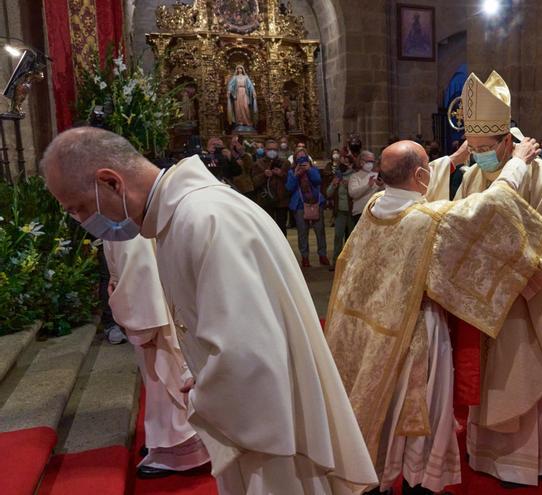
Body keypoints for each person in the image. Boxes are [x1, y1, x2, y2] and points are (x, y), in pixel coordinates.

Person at [40, 127, 378, 494]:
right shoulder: (185, 214)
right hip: (261, 422)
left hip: (272, 436)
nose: (83, 222)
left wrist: (202, 395)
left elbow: (250, 359)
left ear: (110, 182)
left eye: (80, 208)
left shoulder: (203, 218)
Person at [325, 139, 542, 494]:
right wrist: (516, 163)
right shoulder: (429, 222)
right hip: (416, 334)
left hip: (370, 331)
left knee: (377, 413)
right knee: (420, 418)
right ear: (420, 174)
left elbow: (408, 186)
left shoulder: (374, 206)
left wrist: (452, 161)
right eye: (428, 167)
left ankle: (375, 478)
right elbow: (489, 207)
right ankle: (419, 482)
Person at [453, 71, 542, 486]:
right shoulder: (475, 175)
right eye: (474, 148)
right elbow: (465, 228)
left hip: (530, 303)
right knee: (492, 377)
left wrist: (509, 271)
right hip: (488, 304)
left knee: (527, 375)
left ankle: (537, 460)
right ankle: (489, 454)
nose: (480, 155)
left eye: (485, 148)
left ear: (507, 142)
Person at [104, 236, 211, 479]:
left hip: (152, 309)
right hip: (152, 301)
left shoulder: (125, 227)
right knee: (160, 377)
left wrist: (139, 321)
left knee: (165, 375)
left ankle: (177, 447)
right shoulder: (119, 220)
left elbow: (139, 273)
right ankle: (164, 441)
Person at [287, 147, 329, 268]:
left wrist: (309, 170)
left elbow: (317, 181)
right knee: (302, 232)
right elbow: (289, 188)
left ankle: (322, 255)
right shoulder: (291, 171)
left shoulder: (313, 169)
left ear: (307, 157)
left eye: (303, 156)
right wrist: (296, 175)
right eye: (298, 157)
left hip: (315, 203)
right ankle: (305, 257)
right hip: (300, 205)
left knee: (320, 231)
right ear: (295, 159)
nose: (301, 159)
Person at [251, 139, 291, 234]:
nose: (272, 151)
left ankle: (282, 248)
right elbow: (254, 182)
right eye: (270, 149)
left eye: (275, 149)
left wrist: (282, 174)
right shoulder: (258, 164)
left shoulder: (285, 163)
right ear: (265, 150)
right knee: (268, 228)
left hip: (282, 201)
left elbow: (291, 181)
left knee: (281, 227)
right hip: (266, 200)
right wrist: (264, 175)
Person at [327, 156, 355, 271]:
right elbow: (328, 193)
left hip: (351, 211)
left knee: (351, 238)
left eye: (346, 163)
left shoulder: (354, 176)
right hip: (340, 212)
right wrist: (334, 184)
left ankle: (350, 262)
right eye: (342, 163)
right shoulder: (337, 176)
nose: (344, 165)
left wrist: (349, 185)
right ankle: (336, 262)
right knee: (338, 237)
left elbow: (356, 193)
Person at [348, 151, 383, 224]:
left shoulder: (376, 175)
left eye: (372, 161)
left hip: (375, 211)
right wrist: (368, 186)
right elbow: (353, 193)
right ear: (361, 162)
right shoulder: (355, 176)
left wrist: (381, 185)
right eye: (368, 161)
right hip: (360, 212)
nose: (371, 164)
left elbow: (383, 193)